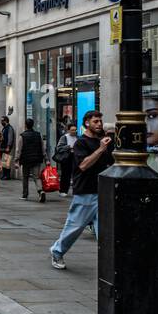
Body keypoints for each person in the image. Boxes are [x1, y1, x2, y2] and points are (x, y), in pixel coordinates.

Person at [50, 111, 115, 270]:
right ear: (87, 123)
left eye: (100, 121)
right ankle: (57, 251)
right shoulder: (81, 143)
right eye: (96, 121)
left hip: (103, 191)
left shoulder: (102, 141)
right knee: (75, 226)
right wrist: (100, 149)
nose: (99, 124)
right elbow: (83, 165)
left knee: (105, 229)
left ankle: (109, 260)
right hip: (86, 191)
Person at [18, 118, 48, 204]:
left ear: (25, 125)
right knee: (36, 177)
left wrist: (16, 160)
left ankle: (25, 194)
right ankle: (40, 191)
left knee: (25, 177)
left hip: (26, 159)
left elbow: (19, 149)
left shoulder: (22, 136)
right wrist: (46, 159)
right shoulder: (38, 135)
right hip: (36, 159)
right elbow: (43, 148)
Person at [54, 123, 78, 197]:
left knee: (75, 174)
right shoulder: (64, 137)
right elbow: (59, 148)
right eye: (72, 130)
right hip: (66, 157)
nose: (74, 131)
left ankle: (75, 190)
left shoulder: (78, 137)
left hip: (75, 157)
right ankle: (63, 190)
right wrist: (69, 147)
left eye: (75, 130)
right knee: (65, 175)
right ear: (68, 130)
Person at [0, 116, 16, 181]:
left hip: (7, 148)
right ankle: (4, 175)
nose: (1, 122)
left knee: (7, 162)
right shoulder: (4, 128)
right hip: (3, 147)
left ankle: (7, 175)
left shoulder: (9, 128)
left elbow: (10, 138)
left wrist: (8, 146)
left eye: (2, 120)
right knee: (4, 162)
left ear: (5, 121)